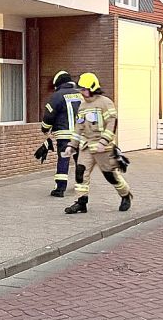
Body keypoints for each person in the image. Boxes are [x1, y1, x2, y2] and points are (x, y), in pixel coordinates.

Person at [62, 73, 133, 214]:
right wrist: (72, 145)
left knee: (110, 175)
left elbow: (112, 123)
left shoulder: (105, 103)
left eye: (84, 89)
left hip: (103, 149)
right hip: (86, 147)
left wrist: (104, 141)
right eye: (80, 89)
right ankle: (81, 203)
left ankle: (125, 195)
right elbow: (79, 127)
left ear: (92, 88)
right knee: (81, 173)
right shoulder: (82, 106)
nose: (81, 92)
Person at [39, 71, 83, 198]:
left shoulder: (57, 96)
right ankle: (81, 185)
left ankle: (60, 189)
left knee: (63, 159)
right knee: (79, 160)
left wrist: (45, 129)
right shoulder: (80, 94)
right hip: (80, 136)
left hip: (65, 137)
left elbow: (49, 115)